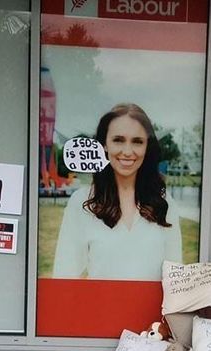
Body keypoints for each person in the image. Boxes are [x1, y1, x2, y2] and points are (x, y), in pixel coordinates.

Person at [53, 103, 182, 280]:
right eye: (118, 140)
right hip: (99, 308)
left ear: (147, 147)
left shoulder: (164, 203)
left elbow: (176, 280)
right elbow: (64, 275)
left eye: (137, 141)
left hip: (151, 309)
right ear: (104, 144)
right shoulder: (82, 202)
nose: (127, 152)